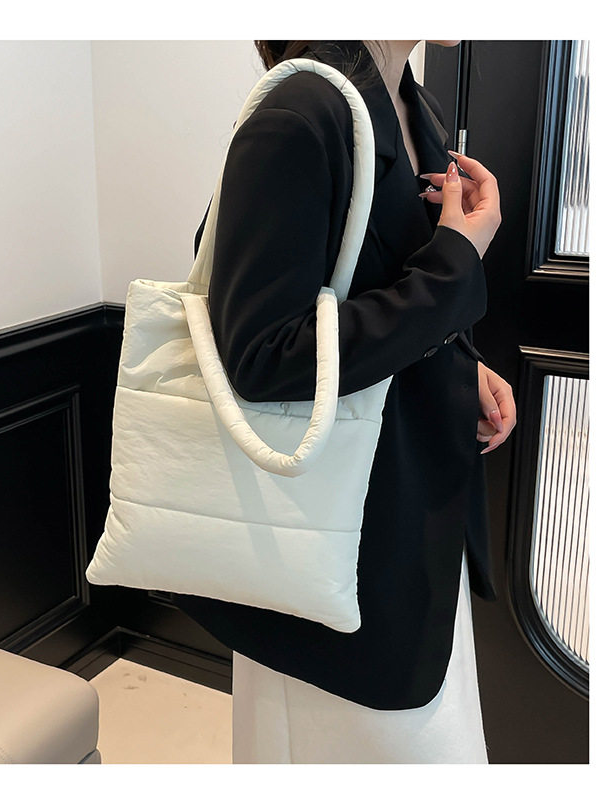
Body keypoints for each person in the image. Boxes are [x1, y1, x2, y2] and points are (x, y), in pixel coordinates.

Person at [173, 40, 517, 763]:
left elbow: (373, 292)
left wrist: (463, 364)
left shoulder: (413, 107)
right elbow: (262, 355)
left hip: (402, 531)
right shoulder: (300, 113)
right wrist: (457, 262)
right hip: (330, 550)